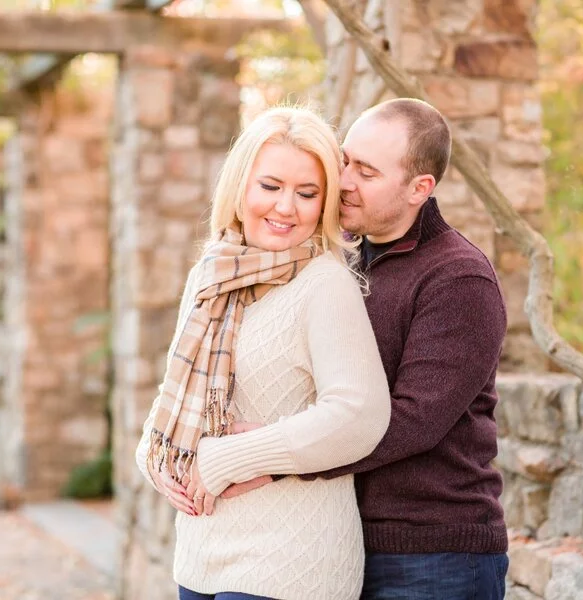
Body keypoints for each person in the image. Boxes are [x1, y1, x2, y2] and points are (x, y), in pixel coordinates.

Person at [225, 98, 510, 599]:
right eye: (346, 160)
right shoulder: (333, 258)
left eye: (368, 172)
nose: (347, 180)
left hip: (431, 554)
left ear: (419, 188)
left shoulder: (458, 278)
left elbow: (412, 420)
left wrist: (270, 454)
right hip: (336, 541)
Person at [134, 106, 392, 600]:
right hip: (201, 552)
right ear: (241, 187)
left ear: (326, 204)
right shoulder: (211, 276)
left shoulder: (325, 283)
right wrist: (152, 454)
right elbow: (175, 388)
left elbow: (359, 415)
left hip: (292, 561)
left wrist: (225, 459)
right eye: (270, 186)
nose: (286, 207)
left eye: (307, 193)